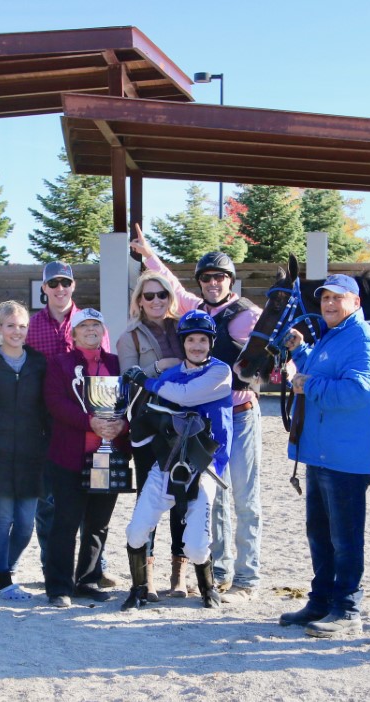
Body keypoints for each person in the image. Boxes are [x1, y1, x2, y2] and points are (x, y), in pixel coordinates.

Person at [129, 226, 263, 602]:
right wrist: (148, 253)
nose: (213, 283)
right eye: (206, 277)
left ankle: (247, 577)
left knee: (245, 497)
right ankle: (217, 571)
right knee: (213, 496)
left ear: (230, 281)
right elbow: (169, 282)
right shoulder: (195, 309)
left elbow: (272, 348)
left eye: (219, 276)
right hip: (202, 419)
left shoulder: (249, 315)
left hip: (240, 413)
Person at [277, 275, 370, 638]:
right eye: (325, 298)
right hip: (321, 454)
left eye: (338, 298)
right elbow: (326, 371)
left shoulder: (364, 342)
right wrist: (300, 351)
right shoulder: (333, 335)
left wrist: (310, 385)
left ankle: (347, 609)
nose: (328, 304)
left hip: (346, 459)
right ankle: (322, 601)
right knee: (320, 534)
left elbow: (358, 391)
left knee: (345, 537)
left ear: (355, 302)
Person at [122, 310, 232, 610]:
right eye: (191, 340)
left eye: (202, 340)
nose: (197, 346)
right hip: (169, 464)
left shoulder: (221, 371)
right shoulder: (169, 376)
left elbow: (185, 396)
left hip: (206, 466)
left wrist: (146, 380)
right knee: (136, 531)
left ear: (211, 342)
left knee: (196, 547)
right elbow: (147, 416)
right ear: (183, 343)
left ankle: (208, 587)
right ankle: (139, 588)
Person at [26, 261, 115, 588]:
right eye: (54, 284)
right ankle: (54, 571)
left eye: (65, 283)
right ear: (45, 289)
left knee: (94, 500)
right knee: (51, 504)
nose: (60, 289)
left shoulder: (91, 323)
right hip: (46, 423)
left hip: (91, 428)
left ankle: (93, 570)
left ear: (73, 286)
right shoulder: (33, 326)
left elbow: (106, 377)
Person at [41, 308, 128, 607]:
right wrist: (88, 421)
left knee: (98, 523)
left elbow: (131, 403)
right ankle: (59, 587)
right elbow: (55, 403)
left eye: (96, 325)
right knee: (65, 522)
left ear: (103, 331)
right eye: (84, 325)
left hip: (108, 456)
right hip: (70, 457)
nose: (91, 330)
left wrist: (122, 425)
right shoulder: (60, 365)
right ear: (73, 333)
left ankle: (88, 580)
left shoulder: (117, 365)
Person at [117, 271, 193, 597]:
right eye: (149, 295)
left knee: (182, 496)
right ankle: (144, 576)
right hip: (149, 425)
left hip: (186, 422)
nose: (157, 301)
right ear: (139, 300)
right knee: (147, 498)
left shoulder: (183, 326)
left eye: (162, 294)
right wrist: (161, 366)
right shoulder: (129, 337)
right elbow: (127, 380)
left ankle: (179, 575)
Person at [0, 301, 49, 601]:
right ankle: (2, 580)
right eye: (10, 325)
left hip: (31, 453)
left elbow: (46, 409)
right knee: (2, 519)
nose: (16, 331)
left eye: (21, 326)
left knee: (26, 522)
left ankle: (7, 568)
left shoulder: (38, 363)